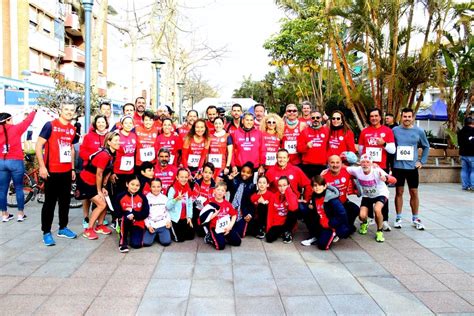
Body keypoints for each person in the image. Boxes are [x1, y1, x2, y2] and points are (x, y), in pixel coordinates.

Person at [35, 102, 77, 246]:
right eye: (66, 109)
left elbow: (71, 149)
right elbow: (38, 145)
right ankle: (46, 232)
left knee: (65, 202)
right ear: (60, 110)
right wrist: (42, 167)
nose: (69, 112)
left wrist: (72, 168)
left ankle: (63, 228)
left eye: (72, 110)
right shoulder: (50, 125)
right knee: (49, 203)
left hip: (66, 172)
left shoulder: (72, 129)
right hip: (51, 171)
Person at [358, 108, 396, 231]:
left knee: (381, 192)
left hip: (381, 167)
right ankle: (368, 218)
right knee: (368, 191)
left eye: (376, 116)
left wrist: (384, 143)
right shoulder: (364, 132)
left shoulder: (387, 131)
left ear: (380, 117)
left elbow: (393, 150)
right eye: (371, 116)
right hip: (367, 167)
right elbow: (360, 149)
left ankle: (384, 220)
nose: (374, 118)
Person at [392, 108, 430, 230]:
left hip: (412, 168)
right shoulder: (395, 130)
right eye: (404, 116)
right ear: (401, 117)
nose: (407, 119)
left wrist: (421, 161)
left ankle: (415, 218)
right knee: (399, 192)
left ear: (412, 117)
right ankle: (398, 217)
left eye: (409, 116)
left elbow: (426, 146)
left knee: (414, 192)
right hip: (398, 167)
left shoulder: (419, 131)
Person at [76, 132, 118, 239]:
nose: (119, 142)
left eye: (119, 140)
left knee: (104, 200)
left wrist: (104, 187)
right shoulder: (104, 155)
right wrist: (99, 190)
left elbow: (107, 172)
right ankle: (89, 229)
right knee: (101, 204)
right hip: (86, 181)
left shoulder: (113, 154)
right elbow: (99, 173)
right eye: (116, 141)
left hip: (95, 181)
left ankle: (100, 226)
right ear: (109, 142)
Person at [347, 154, 396, 243]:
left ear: (371, 163)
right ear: (360, 164)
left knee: (377, 210)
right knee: (361, 216)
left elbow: (394, 180)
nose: (365, 164)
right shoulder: (357, 170)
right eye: (363, 162)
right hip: (367, 196)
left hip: (380, 194)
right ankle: (365, 223)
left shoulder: (377, 171)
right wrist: (326, 170)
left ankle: (379, 231)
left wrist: (386, 178)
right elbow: (343, 168)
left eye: (367, 162)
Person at [0, 109, 36, 222]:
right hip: (15, 161)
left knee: (2, 190)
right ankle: (20, 214)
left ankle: (4, 214)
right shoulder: (16, 129)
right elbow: (27, 121)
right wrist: (34, 111)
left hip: (2, 162)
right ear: (8, 120)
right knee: (19, 188)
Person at [79, 115, 110, 228]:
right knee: (87, 196)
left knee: (102, 195)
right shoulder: (88, 136)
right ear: (95, 124)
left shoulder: (108, 136)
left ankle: (99, 220)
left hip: (103, 171)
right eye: (99, 122)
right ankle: (86, 218)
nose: (101, 124)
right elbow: (82, 152)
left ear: (106, 123)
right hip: (90, 170)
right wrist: (93, 156)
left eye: (103, 122)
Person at [308, 176, 353, 250]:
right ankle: (319, 233)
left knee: (322, 246)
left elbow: (342, 214)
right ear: (312, 187)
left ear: (325, 186)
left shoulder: (331, 198)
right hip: (321, 222)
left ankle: (335, 233)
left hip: (330, 225)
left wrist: (331, 223)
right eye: (315, 185)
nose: (317, 187)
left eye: (320, 185)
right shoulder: (314, 196)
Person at [114, 176, 150, 252]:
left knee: (136, 245)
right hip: (125, 221)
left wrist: (134, 214)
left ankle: (130, 234)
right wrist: (127, 213)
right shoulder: (120, 196)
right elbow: (116, 212)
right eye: (132, 184)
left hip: (138, 222)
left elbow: (145, 213)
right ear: (127, 184)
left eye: (137, 185)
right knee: (126, 216)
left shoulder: (142, 197)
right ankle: (123, 242)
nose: (135, 187)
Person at [203, 181, 241, 250]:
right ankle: (210, 237)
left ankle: (223, 237)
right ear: (214, 191)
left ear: (225, 193)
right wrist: (214, 214)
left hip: (226, 227)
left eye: (222, 190)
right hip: (215, 227)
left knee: (237, 242)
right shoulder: (209, 202)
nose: (220, 192)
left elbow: (234, 215)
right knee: (221, 246)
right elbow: (205, 218)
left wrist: (230, 227)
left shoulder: (227, 204)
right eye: (218, 190)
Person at [224, 161, 256, 237]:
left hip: (242, 213)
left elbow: (252, 203)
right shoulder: (235, 181)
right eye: (243, 171)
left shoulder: (252, 186)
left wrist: (250, 214)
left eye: (248, 173)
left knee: (239, 233)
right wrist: (230, 179)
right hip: (231, 210)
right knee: (226, 228)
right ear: (240, 171)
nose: (245, 174)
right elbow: (227, 188)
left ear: (251, 174)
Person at [297, 109, 329, 177]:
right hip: (307, 165)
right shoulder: (304, 131)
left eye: (317, 117)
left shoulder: (326, 131)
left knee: (321, 187)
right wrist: (307, 146)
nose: (315, 119)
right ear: (310, 119)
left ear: (321, 119)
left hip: (322, 165)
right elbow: (299, 149)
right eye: (313, 118)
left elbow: (329, 148)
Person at [266, 176, 298, 243]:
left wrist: (288, 191)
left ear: (288, 185)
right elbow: (270, 213)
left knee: (293, 211)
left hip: (288, 223)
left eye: (284, 185)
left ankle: (287, 232)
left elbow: (293, 208)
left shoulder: (293, 195)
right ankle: (282, 232)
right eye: (280, 186)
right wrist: (269, 228)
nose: (282, 188)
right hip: (277, 223)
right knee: (269, 238)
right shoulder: (274, 196)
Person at [166, 168, 195, 242]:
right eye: (181, 177)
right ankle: (169, 229)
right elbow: (168, 206)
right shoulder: (172, 189)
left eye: (186, 177)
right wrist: (175, 199)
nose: (184, 179)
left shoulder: (188, 189)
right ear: (177, 177)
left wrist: (189, 217)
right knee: (179, 239)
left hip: (184, 218)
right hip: (175, 218)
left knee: (191, 236)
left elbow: (189, 205)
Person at [110, 116, 137, 195]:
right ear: (122, 124)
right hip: (118, 171)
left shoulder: (134, 135)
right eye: (126, 123)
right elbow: (111, 153)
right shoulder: (116, 135)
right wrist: (112, 172)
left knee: (127, 194)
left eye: (130, 123)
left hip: (130, 171)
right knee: (118, 195)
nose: (128, 125)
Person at [143, 178, 172, 247]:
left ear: (161, 187)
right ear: (150, 187)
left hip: (162, 224)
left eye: (158, 187)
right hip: (151, 224)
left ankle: (160, 234)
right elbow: (145, 215)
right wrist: (148, 226)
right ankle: (154, 235)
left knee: (166, 242)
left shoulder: (164, 198)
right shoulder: (146, 198)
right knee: (146, 243)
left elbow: (167, 211)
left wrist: (168, 221)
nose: (156, 189)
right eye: (153, 187)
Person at [458, 116, 474, 191]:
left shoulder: (460, 131)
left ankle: (465, 186)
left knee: (464, 170)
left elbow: (459, 143)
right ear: (472, 123)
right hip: (472, 154)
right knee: (473, 170)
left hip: (463, 154)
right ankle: (472, 186)